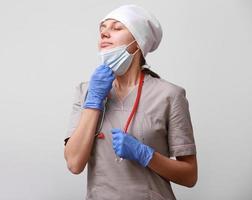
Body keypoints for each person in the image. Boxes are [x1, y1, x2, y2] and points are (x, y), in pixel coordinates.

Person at [64, 4, 197, 200]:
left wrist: (147, 155)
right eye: (102, 29)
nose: (105, 34)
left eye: (117, 28)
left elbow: (189, 176)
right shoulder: (85, 91)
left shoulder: (169, 95)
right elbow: (74, 164)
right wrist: (93, 102)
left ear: (138, 43)